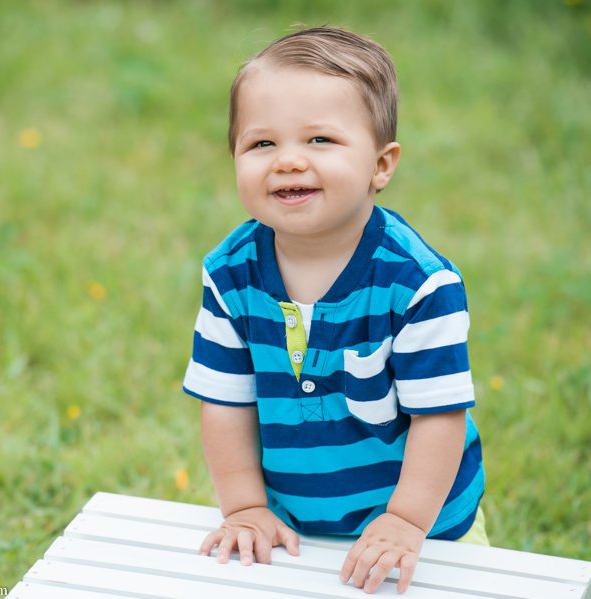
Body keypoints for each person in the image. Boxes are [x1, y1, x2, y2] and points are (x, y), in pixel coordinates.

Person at [182, 26, 487, 594]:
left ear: (381, 165)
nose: (288, 161)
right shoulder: (229, 274)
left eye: (320, 139)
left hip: (423, 527)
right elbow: (224, 402)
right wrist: (245, 507)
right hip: (288, 523)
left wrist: (406, 522)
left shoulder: (418, 284)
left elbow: (439, 417)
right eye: (261, 144)